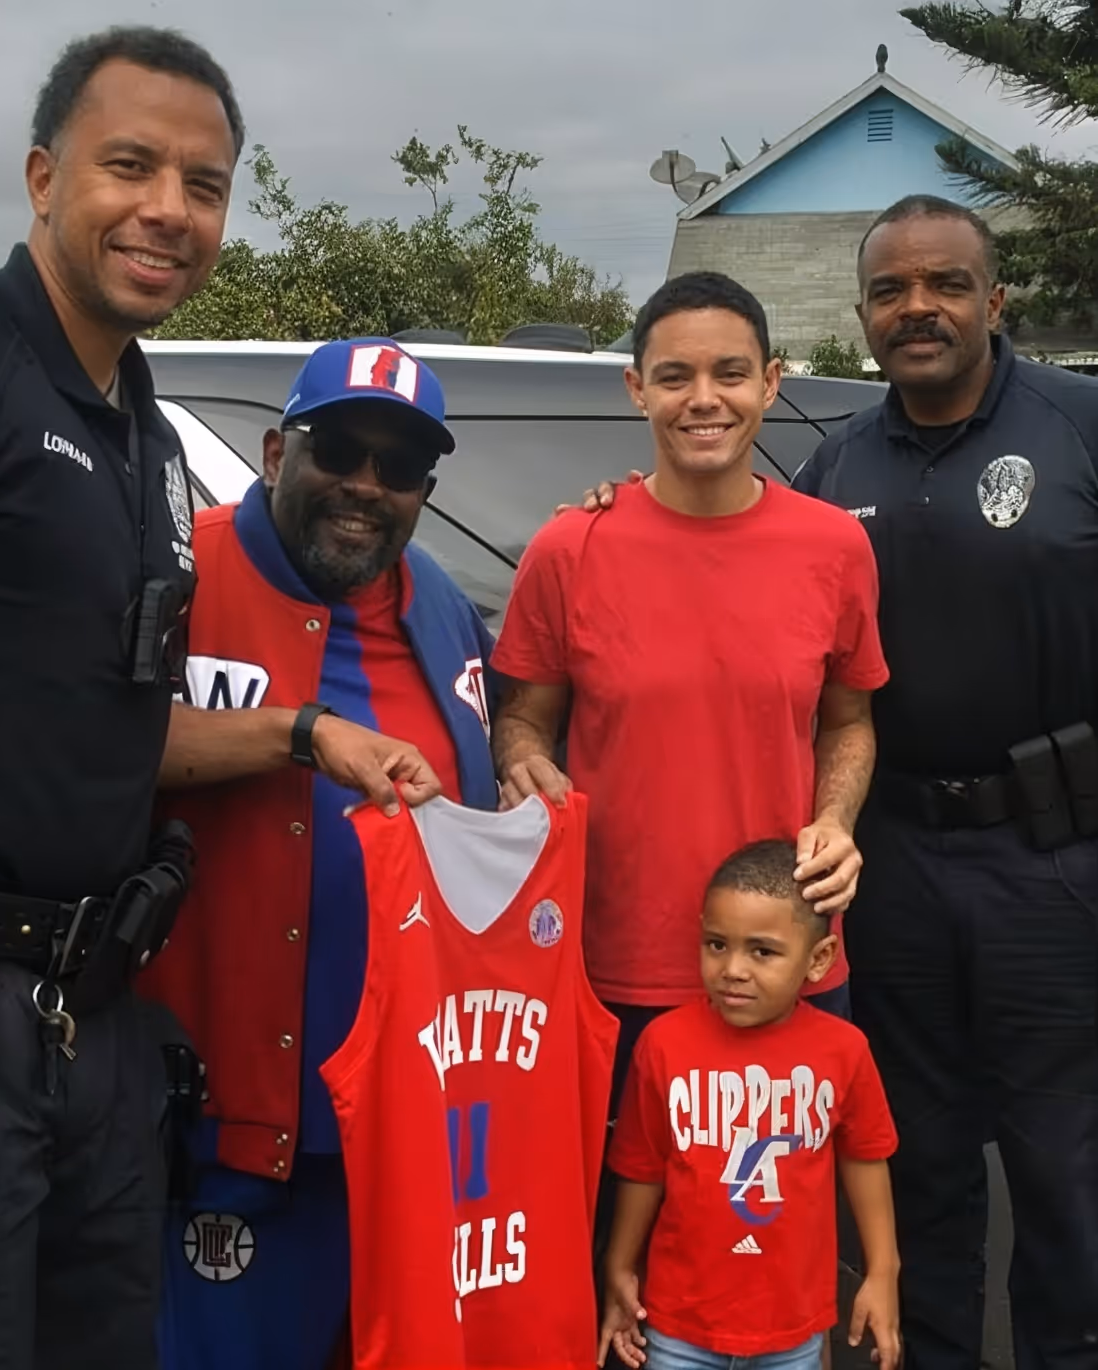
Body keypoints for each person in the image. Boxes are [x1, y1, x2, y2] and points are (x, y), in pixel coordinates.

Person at [0, 27, 244, 1370]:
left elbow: (105, 709)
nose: (169, 209)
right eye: (130, 164)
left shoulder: (143, 421)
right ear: (39, 175)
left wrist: (305, 734)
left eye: (205, 182)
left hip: (101, 1014)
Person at [138, 338, 498, 1370]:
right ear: (272, 450)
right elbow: (82, 746)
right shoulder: (183, 569)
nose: (366, 485)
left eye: (401, 467)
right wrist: (298, 732)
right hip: (226, 1124)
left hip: (405, 1127)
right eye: (339, 447)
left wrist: (518, 768)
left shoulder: (437, 604)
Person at [787, 195, 1098, 1370]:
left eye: (945, 284)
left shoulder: (1080, 424)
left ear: (994, 299)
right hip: (897, 860)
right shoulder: (834, 461)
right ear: (865, 314)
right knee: (914, 1162)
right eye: (890, 290)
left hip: (1059, 859)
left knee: (1066, 1164)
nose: (917, 307)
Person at [489, 272, 889, 1123]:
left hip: (791, 961)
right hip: (612, 966)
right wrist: (522, 762)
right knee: (617, 1247)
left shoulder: (836, 547)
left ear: (771, 382)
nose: (703, 400)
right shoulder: (569, 550)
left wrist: (837, 820)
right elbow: (523, 716)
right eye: (675, 377)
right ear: (637, 390)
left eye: (731, 374)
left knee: (775, 1243)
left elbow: (850, 723)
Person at [599, 840, 901, 1370]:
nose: (733, 968)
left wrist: (882, 1272)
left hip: (793, 1332)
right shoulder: (664, 1044)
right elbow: (642, 1167)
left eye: (762, 951)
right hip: (677, 1327)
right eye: (717, 944)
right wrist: (619, 1266)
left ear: (819, 959)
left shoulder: (844, 1051)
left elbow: (865, 1156)